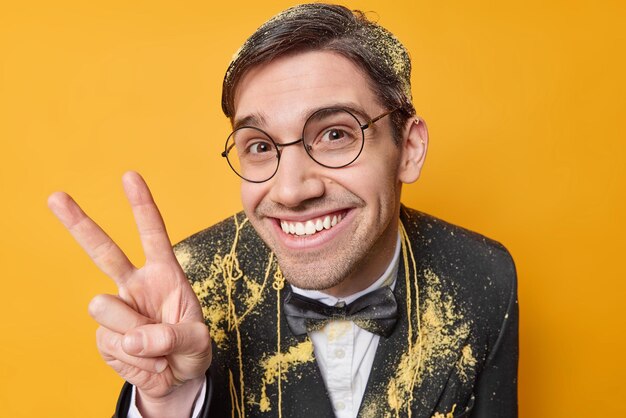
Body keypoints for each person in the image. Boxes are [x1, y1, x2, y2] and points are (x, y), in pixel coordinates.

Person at [48, 3, 518, 417]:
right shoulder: (188, 286)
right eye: (259, 145)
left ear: (410, 148)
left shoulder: (485, 274)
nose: (290, 190)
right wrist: (169, 402)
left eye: (335, 134)